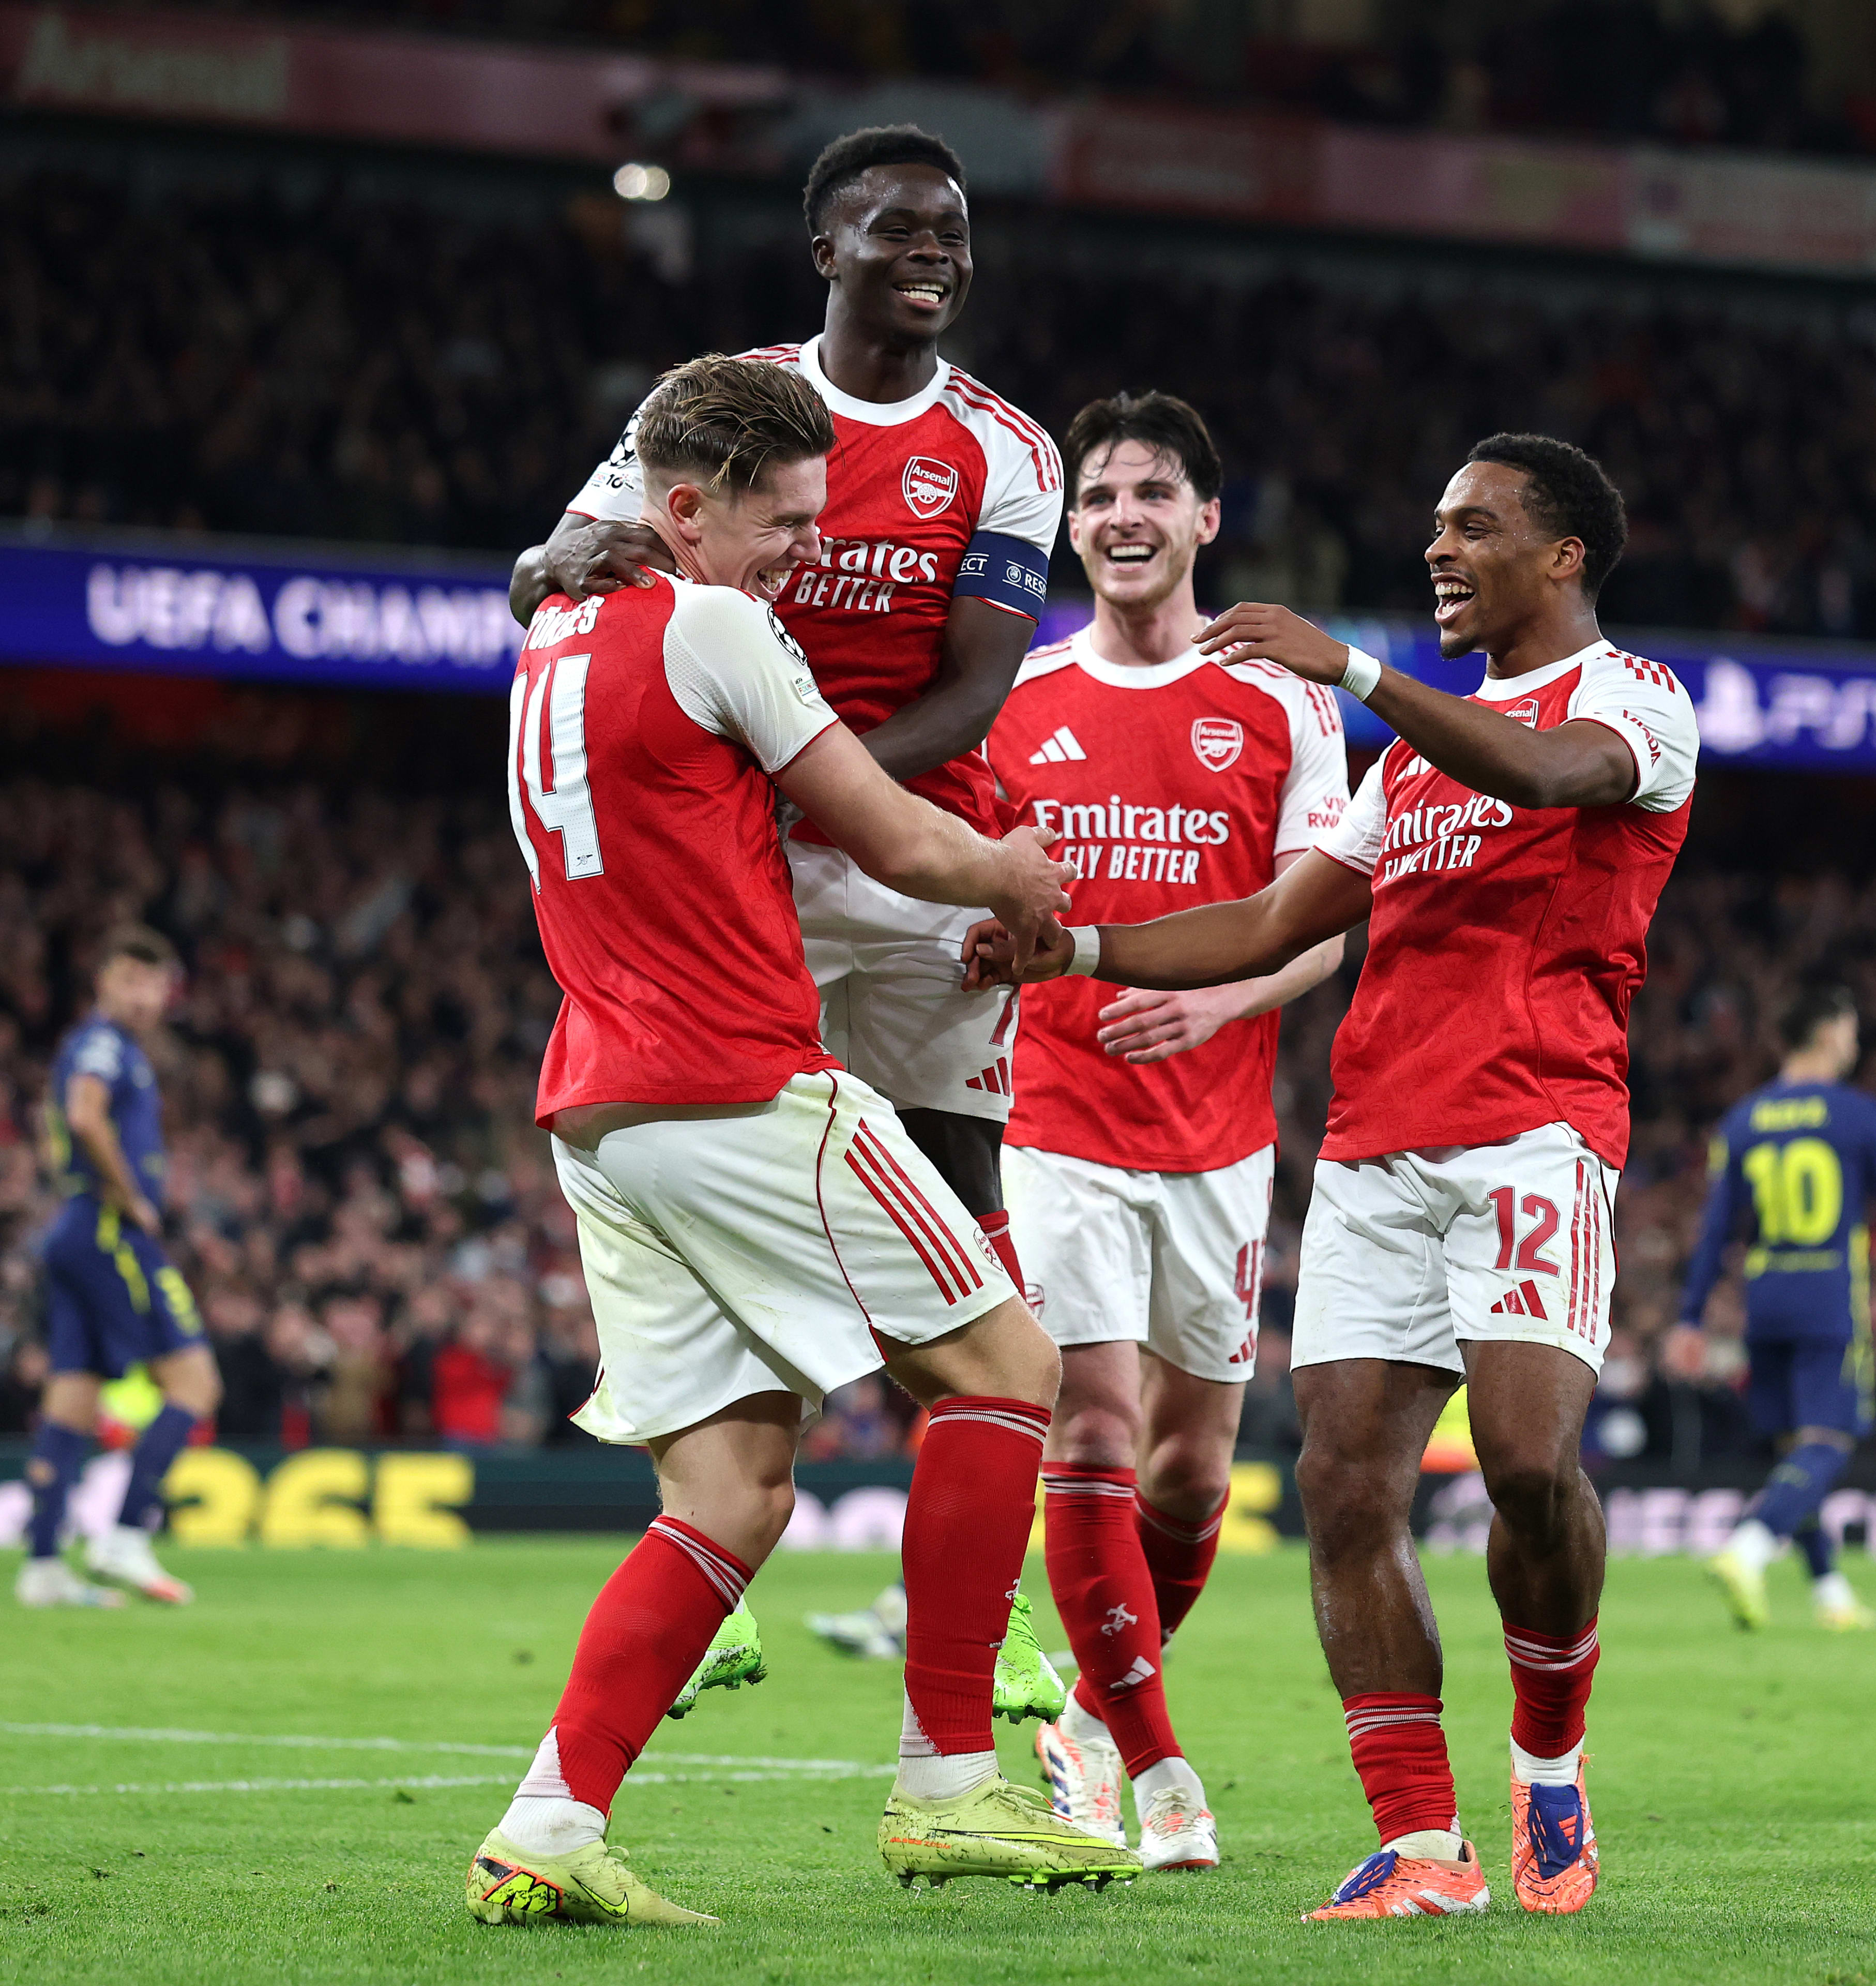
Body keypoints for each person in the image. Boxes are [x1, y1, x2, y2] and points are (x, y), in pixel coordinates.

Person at [973, 433, 1699, 1921]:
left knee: (1526, 1466)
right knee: (1343, 1485)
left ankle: (1548, 1761)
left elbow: (1546, 771)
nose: (1440, 548)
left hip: (1534, 1131)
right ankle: (1421, 1843)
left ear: (1562, 556)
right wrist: (1080, 948)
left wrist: (1356, 671)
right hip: (1371, 1150)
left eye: (1475, 527)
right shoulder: (1407, 769)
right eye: (1435, 524)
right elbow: (1265, 922)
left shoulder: (1631, 699)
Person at [467, 353, 1138, 1931]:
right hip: (732, 1078)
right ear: (684, 509)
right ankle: (946, 1782)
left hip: (600, 1108)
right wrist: (1017, 871)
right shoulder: (712, 625)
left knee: (728, 1492)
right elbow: (893, 834)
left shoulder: (552, 639)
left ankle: (548, 1824)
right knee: (1007, 1365)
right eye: (781, 522)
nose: (807, 555)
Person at [512, 124, 1066, 1710]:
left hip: (898, 847)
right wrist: (557, 558)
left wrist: (802, 776)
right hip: (738, 862)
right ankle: (717, 1559)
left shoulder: (1007, 451)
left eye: (951, 227)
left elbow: (974, 689)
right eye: (897, 226)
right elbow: (550, 576)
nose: (932, 249)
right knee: (713, 1174)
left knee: (956, 1209)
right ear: (826, 249)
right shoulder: (722, 409)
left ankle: (979, 1603)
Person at [978, 391, 1347, 1873]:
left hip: (1219, 1138)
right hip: (1054, 1118)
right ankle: (1158, 1767)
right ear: (1071, 527)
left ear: (1206, 517)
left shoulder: (1285, 702)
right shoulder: (1015, 697)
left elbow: (1330, 915)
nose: (1121, 518)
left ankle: (1081, 1721)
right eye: (1096, 497)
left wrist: (1222, 998)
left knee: (1192, 1475)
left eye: (1150, 493)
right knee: (1093, 1429)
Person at [1675, 984, 1876, 1631]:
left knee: (1793, 1448)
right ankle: (1748, 1549)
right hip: (1828, 1295)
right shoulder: (1862, 1117)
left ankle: (1829, 1592)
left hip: (1765, 1296)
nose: (1855, 1043)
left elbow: (1716, 1231)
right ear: (1827, 1033)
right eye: (1850, 1031)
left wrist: (1690, 1317)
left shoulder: (1744, 1120)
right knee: (1829, 1441)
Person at [17, 925, 221, 1608]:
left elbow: (54, 1125)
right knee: (196, 1382)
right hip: (109, 1229)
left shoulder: (92, 1046)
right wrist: (130, 1194)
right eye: (130, 979)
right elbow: (84, 1116)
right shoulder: (106, 1045)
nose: (143, 996)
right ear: (103, 981)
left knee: (72, 1399)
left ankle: (44, 1566)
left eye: (154, 983)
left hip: (74, 1228)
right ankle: (126, 1536)